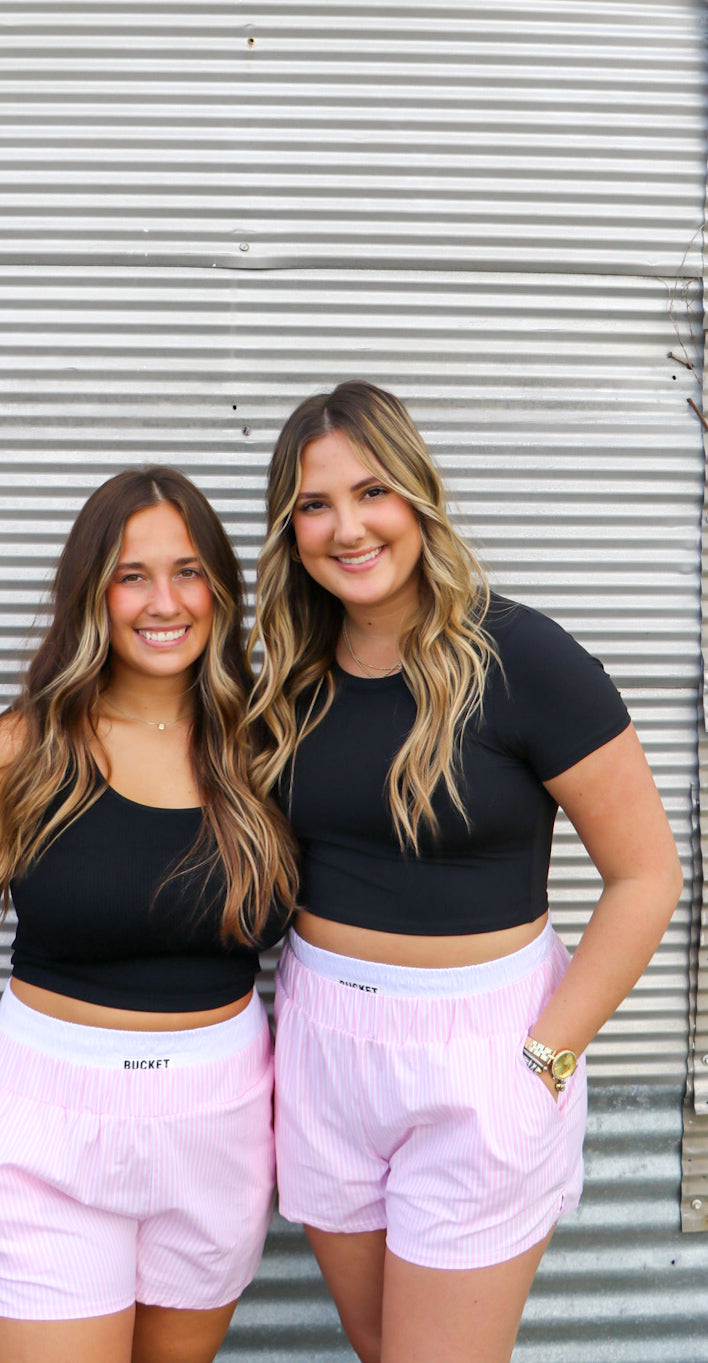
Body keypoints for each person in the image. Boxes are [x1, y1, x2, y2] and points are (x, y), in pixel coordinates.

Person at [246, 381, 682, 1363]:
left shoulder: (520, 656)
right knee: (378, 1345)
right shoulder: (286, 676)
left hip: (483, 1051)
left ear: (416, 496)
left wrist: (543, 1060)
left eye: (371, 493)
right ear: (287, 530)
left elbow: (646, 875)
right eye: (313, 505)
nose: (346, 528)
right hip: (322, 1042)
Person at [0, 466, 297, 1363]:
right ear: (92, 594)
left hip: (219, 1122)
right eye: (132, 575)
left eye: (189, 571)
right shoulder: (19, 752)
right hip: (45, 1124)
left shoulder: (264, 750)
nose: (166, 601)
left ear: (221, 589)